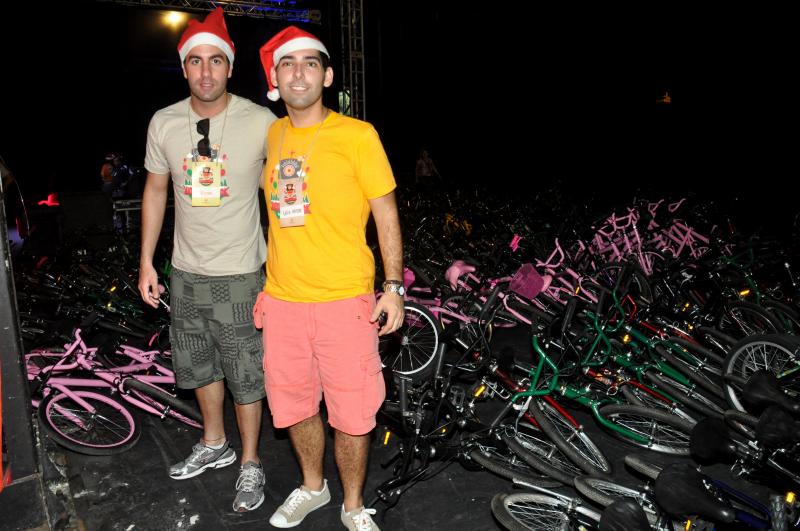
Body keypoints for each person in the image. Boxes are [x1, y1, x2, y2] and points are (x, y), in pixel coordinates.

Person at [253, 26, 404, 531]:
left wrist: (394, 287)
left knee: (353, 414)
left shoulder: (358, 135)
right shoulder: (273, 135)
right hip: (283, 304)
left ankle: (353, 505)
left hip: (345, 303)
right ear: (275, 78)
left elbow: (386, 214)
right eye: (288, 64)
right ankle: (313, 487)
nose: (299, 73)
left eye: (310, 64)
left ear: (328, 76)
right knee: (295, 407)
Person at [136, 7, 276, 513]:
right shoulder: (164, 122)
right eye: (195, 61)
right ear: (184, 68)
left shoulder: (261, 122)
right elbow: (155, 191)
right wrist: (146, 262)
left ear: (230, 67)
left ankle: (251, 461)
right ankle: (215, 443)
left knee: (245, 373)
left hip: (241, 274)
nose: (206, 71)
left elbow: (285, 195)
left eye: (216, 60)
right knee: (199, 366)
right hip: (186, 273)